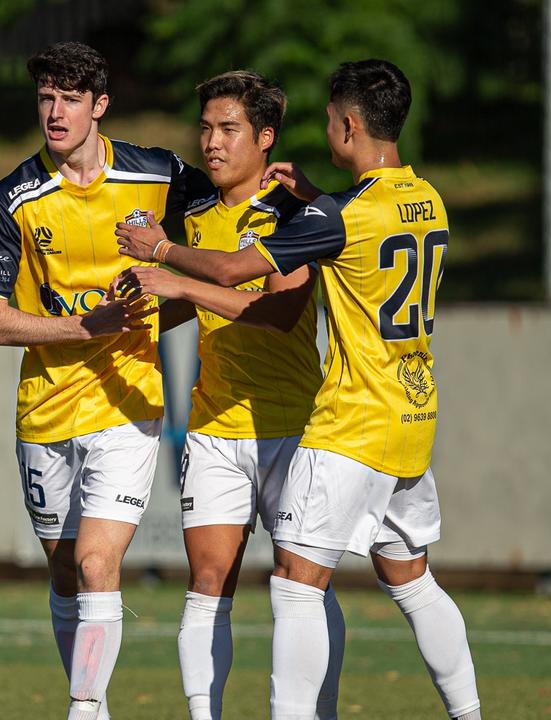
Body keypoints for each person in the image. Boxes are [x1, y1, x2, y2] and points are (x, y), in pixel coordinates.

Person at [115, 59, 482, 720]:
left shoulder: (331, 216)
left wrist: (162, 256)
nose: (212, 141)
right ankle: (470, 713)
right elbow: (345, 231)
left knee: (295, 588)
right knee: (410, 579)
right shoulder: (425, 198)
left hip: (347, 424)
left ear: (346, 124)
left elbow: (241, 276)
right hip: (412, 415)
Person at [0, 41, 212, 720]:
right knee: (66, 569)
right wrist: (87, 328)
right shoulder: (14, 198)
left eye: (70, 98)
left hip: (128, 404)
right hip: (45, 410)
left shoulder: (159, 175)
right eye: (46, 97)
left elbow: (228, 211)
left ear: (100, 105)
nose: (55, 111)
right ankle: (92, 704)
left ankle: (84, 707)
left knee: (99, 565)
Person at [117, 70, 345, 720]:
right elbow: (190, 309)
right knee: (208, 582)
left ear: (265, 137)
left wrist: (180, 283)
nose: (211, 143)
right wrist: (125, 315)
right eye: (206, 128)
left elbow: (276, 314)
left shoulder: (298, 213)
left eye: (228, 129)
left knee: (301, 588)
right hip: (215, 427)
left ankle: (315, 713)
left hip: (296, 427)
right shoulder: (191, 215)